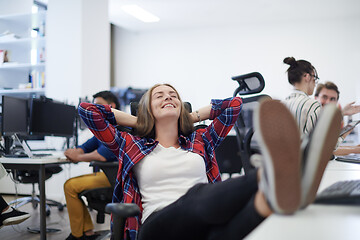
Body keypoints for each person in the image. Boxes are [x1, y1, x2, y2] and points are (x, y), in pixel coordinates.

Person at [78, 83, 341, 240]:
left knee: (233, 227)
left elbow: (233, 105)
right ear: (147, 108)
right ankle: (278, 172)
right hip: (157, 225)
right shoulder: (131, 143)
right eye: (159, 96)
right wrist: (139, 121)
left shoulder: (201, 139)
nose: (168, 97)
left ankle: (271, 196)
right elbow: (87, 111)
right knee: (196, 194)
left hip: (203, 223)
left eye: (173, 95)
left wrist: (191, 117)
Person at [64, 91, 120, 240]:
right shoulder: (102, 129)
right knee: (71, 185)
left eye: (98, 105)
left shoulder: (118, 127)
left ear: (111, 106)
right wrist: (75, 152)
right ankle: (87, 233)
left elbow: (101, 155)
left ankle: (78, 236)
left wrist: (79, 156)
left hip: (117, 177)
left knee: (70, 186)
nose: (94, 109)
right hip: (108, 175)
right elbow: (87, 146)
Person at [314, 81, 360, 155]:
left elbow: (329, 146)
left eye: (332, 99)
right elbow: (324, 151)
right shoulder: (310, 117)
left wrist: (354, 147)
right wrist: (355, 149)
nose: (328, 102)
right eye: (324, 97)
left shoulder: (328, 121)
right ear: (316, 98)